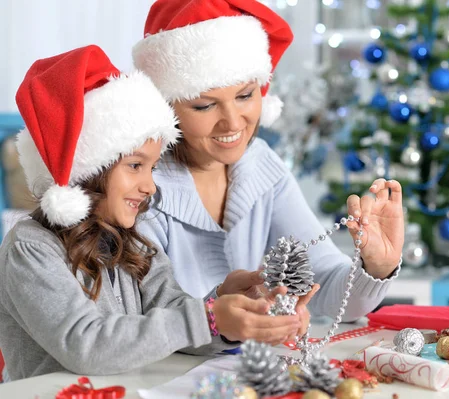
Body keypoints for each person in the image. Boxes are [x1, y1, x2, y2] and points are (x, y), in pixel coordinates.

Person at [0, 45, 306, 382]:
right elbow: (85, 345)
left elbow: (173, 319)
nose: (150, 186)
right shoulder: (29, 249)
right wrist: (208, 318)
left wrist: (224, 307)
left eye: (152, 168)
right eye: (135, 166)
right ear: (86, 170)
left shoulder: (132, 243)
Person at [132, 0, 405, 321]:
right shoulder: (141, 188)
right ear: (166, 110)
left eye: (245, 95)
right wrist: (219, 310)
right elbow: (145, 319)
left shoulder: (260, 164)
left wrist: (377, 266)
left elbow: (326, 286)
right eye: (205, 106)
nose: (233, 123)